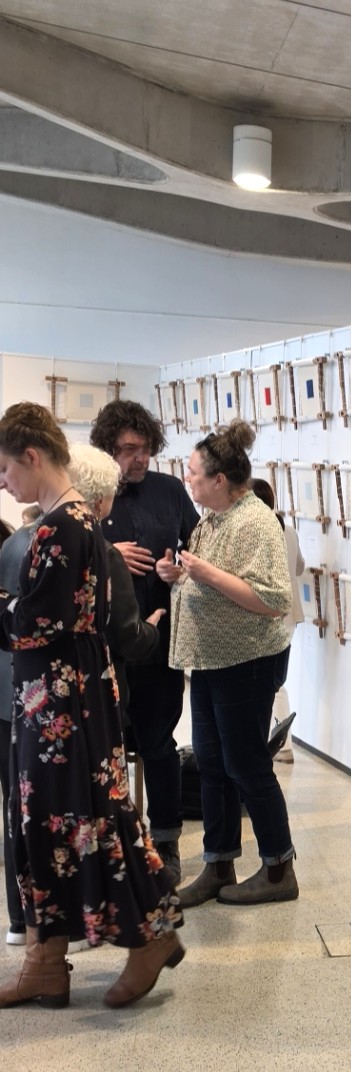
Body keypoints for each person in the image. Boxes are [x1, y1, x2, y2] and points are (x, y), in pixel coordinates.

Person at [0, 402, 182, 1010]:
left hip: (60, 704)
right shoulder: (75, 520)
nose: (4, 482)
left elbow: (35, 622)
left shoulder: (63, 526)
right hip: (62, 697)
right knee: (66, 819)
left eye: (6, 468)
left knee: (71, 821)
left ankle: (144, 934)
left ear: (32, 456)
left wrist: (4, 605)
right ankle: (49, 962)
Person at [157, 420, 298, 907]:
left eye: (194, 473)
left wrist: (205, 572)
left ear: (219, 480)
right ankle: (218, 863)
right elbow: (206, 579)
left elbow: (273, 598)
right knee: (213, 764)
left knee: (246, 765)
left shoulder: (256, 522)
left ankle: (279, 869)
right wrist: (178, 575)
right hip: (212, 661)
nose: (187, 480)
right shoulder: (212, 519)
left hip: (247, 662)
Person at [90, 400, 198, 887]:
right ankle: (109, 846)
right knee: (102, 749)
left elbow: (198, 544)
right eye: (129, 450)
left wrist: (181, 565)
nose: (140, 459)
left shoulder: (170, 490)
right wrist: (108, 554)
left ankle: (167, 843)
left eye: (146, 449)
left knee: (159, 743)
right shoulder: (90, 494)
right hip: (104, 646)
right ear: (108, 449)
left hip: (159, 642)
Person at [66, 444, 165, 714]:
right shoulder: (104, 554)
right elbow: (128, 637)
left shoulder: (30, 537)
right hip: (92, 690)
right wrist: (152, 628)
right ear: (100, 501)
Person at [0, 507, 37, 947]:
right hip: (35, 694)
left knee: (15, 809)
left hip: (10, 690)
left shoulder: (12, 542)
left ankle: (17, 919)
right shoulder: (39, 543)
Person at [249, 477, 304, 693]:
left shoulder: (259, 534)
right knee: (276, 681)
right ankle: (280, 727)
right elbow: (299, 568)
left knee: (269, 684)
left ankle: (279, 727)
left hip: (269, 616)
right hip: (289, 615)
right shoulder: (289, 531)